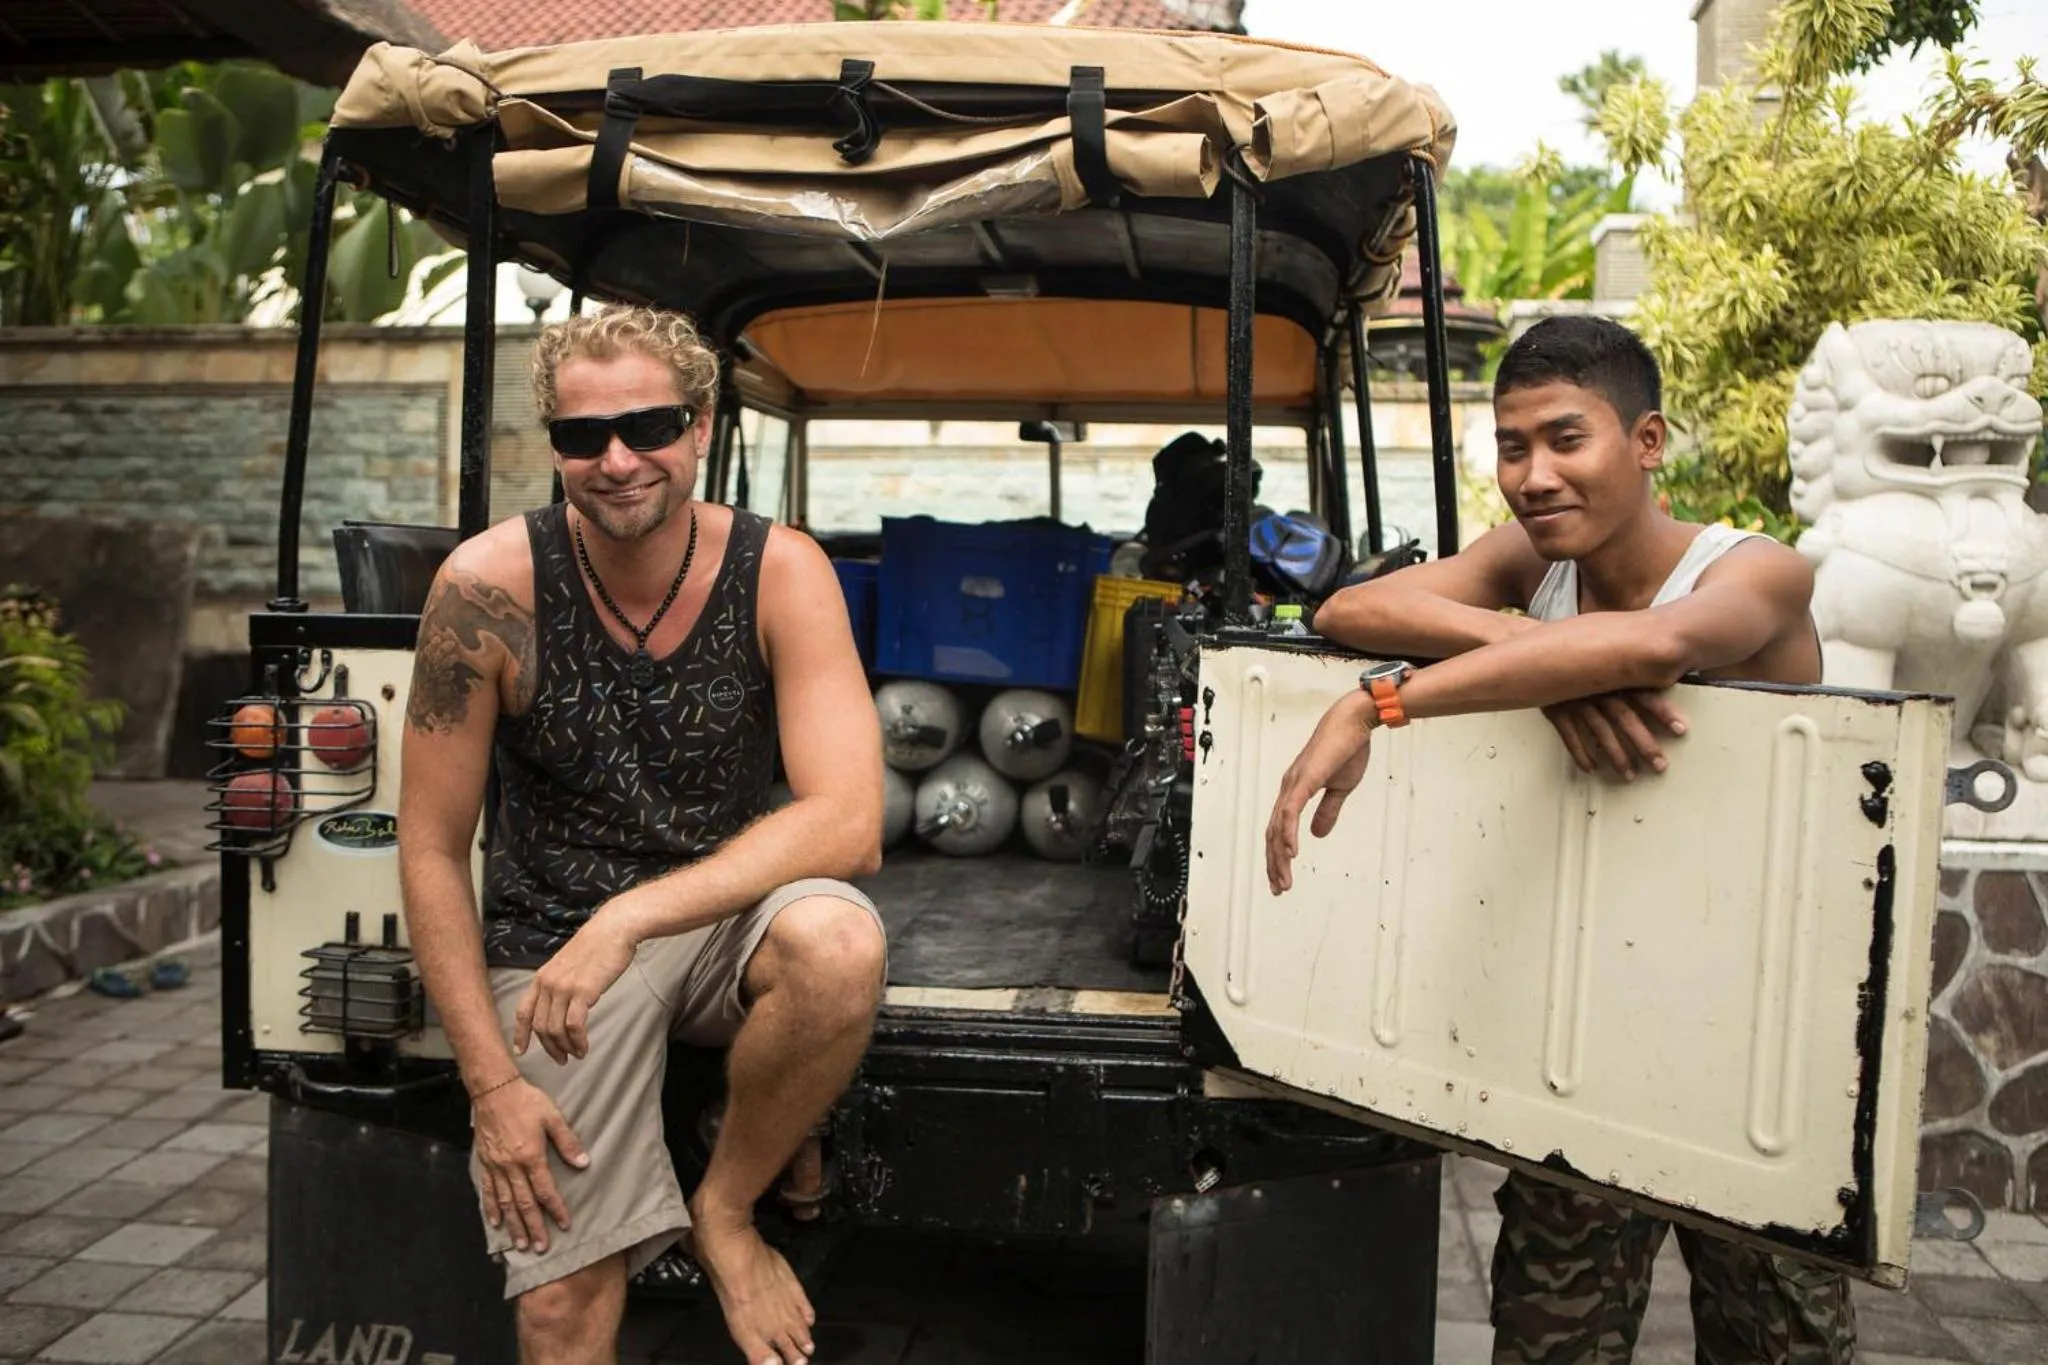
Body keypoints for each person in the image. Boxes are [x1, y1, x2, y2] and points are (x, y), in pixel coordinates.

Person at [1264, 314, 1854, 1364]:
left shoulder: (1756, 571)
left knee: (1779, 1344)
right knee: (1548, 1345)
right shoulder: (1531, 571)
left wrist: (1381, 706)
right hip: (1587, 1038)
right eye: (1509, 446)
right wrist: (1536, 650)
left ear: (1646, 440)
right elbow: (1346, 608)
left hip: (1754, 1050)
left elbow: (1656, 643)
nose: (1532, 476)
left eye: (1564, 439)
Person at [397, 304, 887, 1365]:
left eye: (648, 428)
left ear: (701, 426)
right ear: (555, 445)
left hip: (721, 917)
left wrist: (632, 914)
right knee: (559, 1304)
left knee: (839, 943)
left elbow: (849, 822)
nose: (617, 461)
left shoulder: (780, 568)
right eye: (582, 438)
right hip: (552, 953)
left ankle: (723, 1209)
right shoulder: (485, 589)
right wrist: (490, 1087)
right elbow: (432, 848)